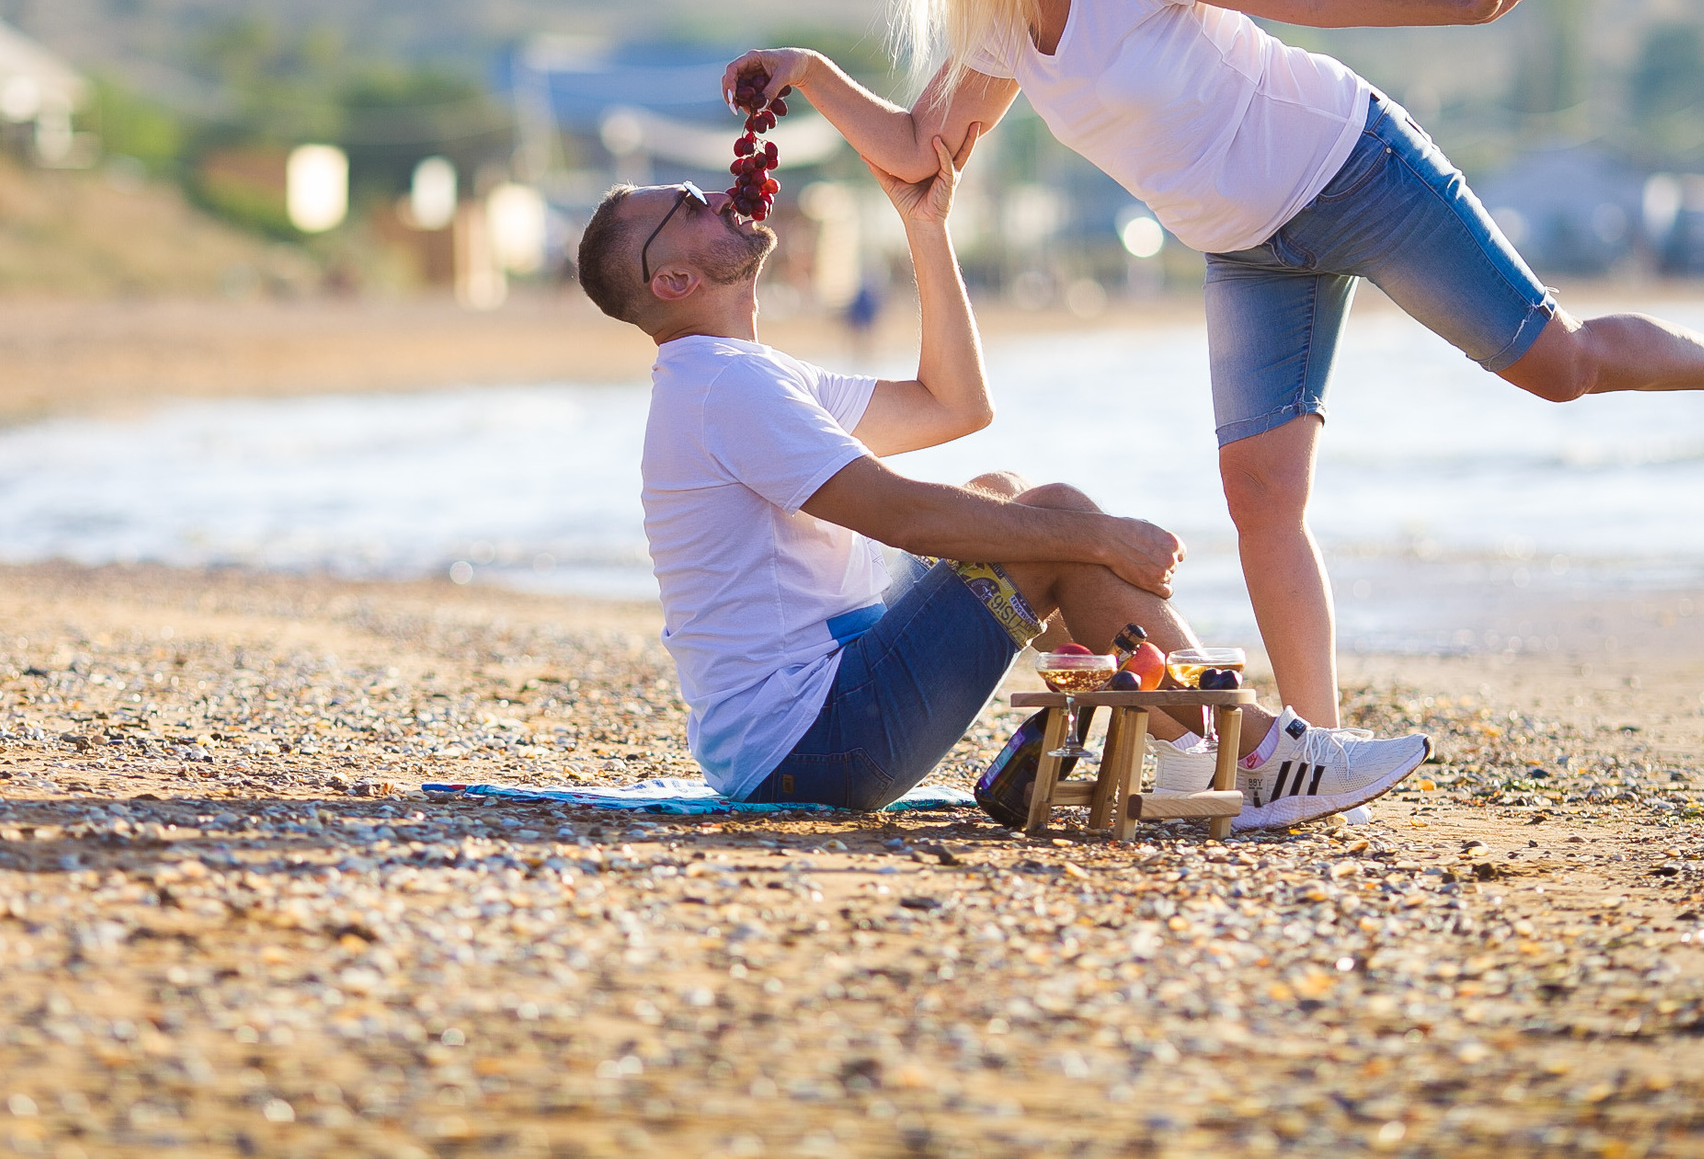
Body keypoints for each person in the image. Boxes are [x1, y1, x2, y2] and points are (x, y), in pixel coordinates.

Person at [724, 0, 1704, 730]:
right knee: (1261, 495)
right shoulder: (991, 25)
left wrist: (1467, 8)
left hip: (1354, 169)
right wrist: (811, 75)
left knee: (1559, 364)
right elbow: (922, 148)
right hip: (1245, 249)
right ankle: (1315, 750)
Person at [571, 127, 1431, 826]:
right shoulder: (729, 384)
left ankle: (1189, 748)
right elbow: (899, 515)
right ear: (674, 278)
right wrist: (1092, 534)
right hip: (817, 742)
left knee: (1001, 489)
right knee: (1052, 518)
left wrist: (925, 225)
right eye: (686, 207)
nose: (715, 194)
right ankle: (1257, 752)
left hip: (808, 722)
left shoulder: (736, 375)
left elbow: (954, 403)